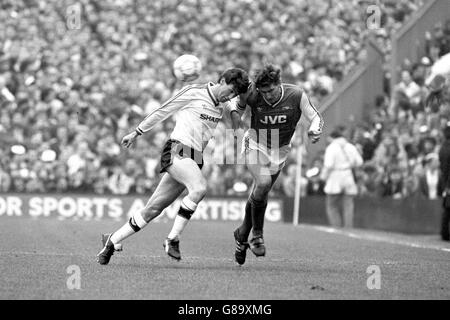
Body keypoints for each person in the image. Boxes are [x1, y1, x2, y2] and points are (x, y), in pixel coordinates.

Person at [97, 68, 250, 264]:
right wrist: (136, 132)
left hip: (194, 158)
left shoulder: (226, 103)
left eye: (234, 93)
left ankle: (112, 240)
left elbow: (237, 126)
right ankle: (172, 239)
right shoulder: (193, 92)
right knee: (199, 188)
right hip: (178, 149)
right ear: (221, 80)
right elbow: (163, 110)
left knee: (153, 209)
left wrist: (242, 102)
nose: (230, 95)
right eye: (229, 90)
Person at [230, 64, 323, 265]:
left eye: (271, 90)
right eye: (264, 92)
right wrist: (238, 111)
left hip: (280, 150)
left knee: (260, 192)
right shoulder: (252, 95)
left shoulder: (296, 95)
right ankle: (257, 235)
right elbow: (236, 115)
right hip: (255, 143)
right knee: (262, 184)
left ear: (279, 84)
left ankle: (242, 233)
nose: (268, 96)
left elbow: (315, 117)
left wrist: (314, 129)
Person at [320, 125, 363, 228]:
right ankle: (348, 228)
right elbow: (359, 162)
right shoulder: (350, 147)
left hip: (335, 176)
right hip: (347, 175)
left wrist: (323, 177)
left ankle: (336, 227)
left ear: (332, 137)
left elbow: (329, 165)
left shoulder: (332, 147)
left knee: (331, 205)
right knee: (348, 204)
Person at [438, 123, 450, 241]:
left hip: (445, 180)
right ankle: (445, 233)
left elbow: (443, 167)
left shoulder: (443, 147)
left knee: (447, 207)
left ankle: (444, 233)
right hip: (448, 180)